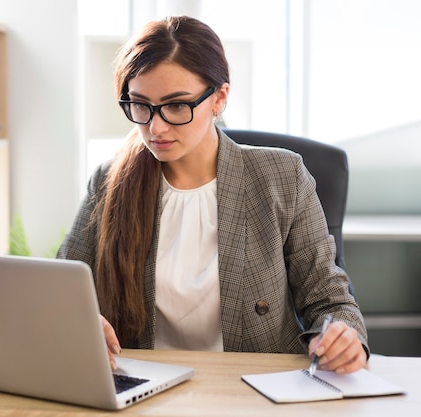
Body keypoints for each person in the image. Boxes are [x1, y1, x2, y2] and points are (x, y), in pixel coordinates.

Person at [57, 15, 368, 374]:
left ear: (219, 98)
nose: (155, 127)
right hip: (143, 387)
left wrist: (343, 335)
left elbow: (329, 298)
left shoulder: (282, 176)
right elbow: (62, 290)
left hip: (256, 387)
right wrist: (78, 321)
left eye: (176, 105)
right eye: (140, 105)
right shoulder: (109, 181)